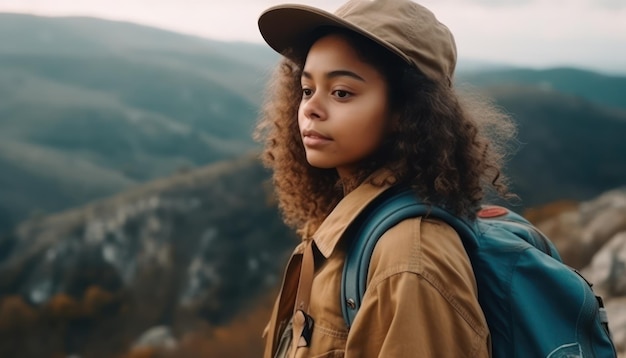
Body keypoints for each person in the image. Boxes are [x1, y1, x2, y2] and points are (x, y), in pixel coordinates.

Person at [255, 0, 515, 356]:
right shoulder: (347, 221)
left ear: (404, 112)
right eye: (307, 89)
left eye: (341, 92)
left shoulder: (410, 260)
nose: (311, 108)